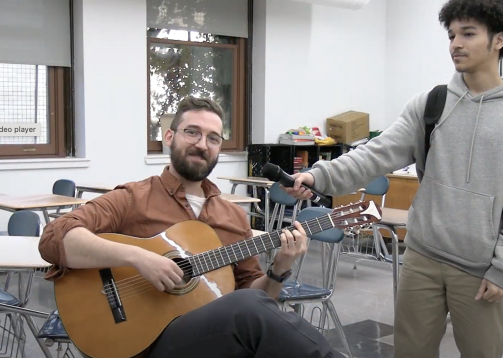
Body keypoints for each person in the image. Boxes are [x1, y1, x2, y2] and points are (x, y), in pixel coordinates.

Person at [283, 0, 503, 357]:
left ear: (499, 40)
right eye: (452, 34)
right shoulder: (432, 104)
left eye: (468, 34)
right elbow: (375, 154)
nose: (455, 43)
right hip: (422, 258)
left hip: (480, 268)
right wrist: (319, 176)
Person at [38, 97, 345, 358]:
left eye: (213, 138)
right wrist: (138, 257)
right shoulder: (134, 198)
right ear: (170, 138)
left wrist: (278, 269)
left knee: (259, 311)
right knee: (251, 311)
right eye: (192, 133)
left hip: (208, 339)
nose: (202, 145)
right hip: (142, 342)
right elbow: (55, 237)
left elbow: (258, 295)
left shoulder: (234, 216)